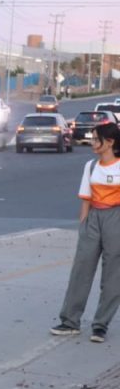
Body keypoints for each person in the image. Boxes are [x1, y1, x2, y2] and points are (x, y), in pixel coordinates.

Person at [50, 122, 120, 343]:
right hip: (93, 219)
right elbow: (86, 200)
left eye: (96, 138)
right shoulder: (90, 167)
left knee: (113, 274)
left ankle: (100, 325)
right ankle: (70, 321)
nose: (92, 142)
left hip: (116, 218)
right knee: (82, 268)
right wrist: (83, 226)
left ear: (109, 142)